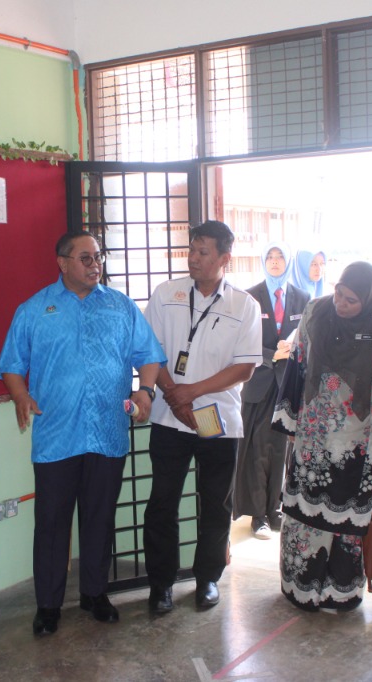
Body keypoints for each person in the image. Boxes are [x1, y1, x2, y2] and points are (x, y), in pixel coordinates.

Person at [0, 230, 165, 636]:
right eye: (86, 258)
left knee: (100, 518)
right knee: (52, 522)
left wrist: (145, 390)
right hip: (57, 436)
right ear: (63, 262)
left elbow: (149, 355)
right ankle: (48, 605)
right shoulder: (35, 309)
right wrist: (20, 395)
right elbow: (11, 365)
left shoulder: (121, 306)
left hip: (107, 433)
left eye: (98, 257)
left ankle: (94, 593)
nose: (95, 265)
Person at [272, 261, 372, 612]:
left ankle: (341, 592)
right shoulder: (316, 311)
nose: (341, 304)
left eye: (351, 300)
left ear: (370, 299)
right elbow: (298, 363)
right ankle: (301, 588)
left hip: (360, 442)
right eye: (338, 294)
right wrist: (289, 421)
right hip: (313, 436)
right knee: (304, 519)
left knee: (348, 525)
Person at [142, 220, 262, 614]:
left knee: (215, 504)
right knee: (162, 503)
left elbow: (245, 367)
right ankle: (160, 584)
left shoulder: (244, 305)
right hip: (168, 419)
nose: (193, 258)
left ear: (225, 258)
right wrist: (175, 397)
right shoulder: (167, 294)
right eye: (191, 250)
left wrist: (190, 392)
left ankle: (207, 578)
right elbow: (149, 351)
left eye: (203, 252)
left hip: (219, 422)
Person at [234, 242, 311, 539]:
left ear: (288, 261)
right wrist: (271, 355)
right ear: (263, 261)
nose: (275, 261)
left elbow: (308, 338)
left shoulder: (302, 297)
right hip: (258, 383)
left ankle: (276, 509)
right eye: (270, 257)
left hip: (288, 385)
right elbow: (242, 340)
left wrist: (293, 349)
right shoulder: (250, 296)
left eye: (280, 257)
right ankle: (258, 514)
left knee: (281, 451)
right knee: (257, 450)